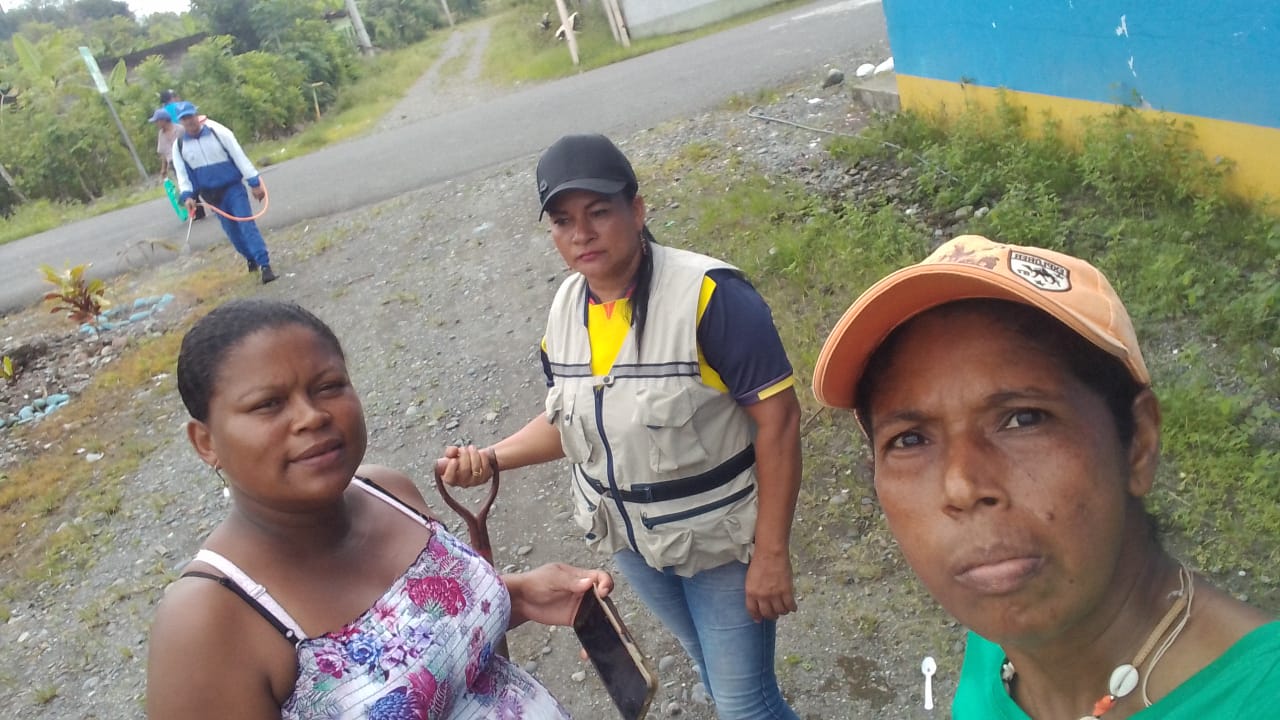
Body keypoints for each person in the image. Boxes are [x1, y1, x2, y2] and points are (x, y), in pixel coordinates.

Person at [811, 235, 1279, 719]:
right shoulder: (999, 641)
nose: (961, 486)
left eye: (1024, 419)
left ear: (1138, 443)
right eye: (910, 439)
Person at [437, 133, 803, 719]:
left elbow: (779, 421)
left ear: (636, 210)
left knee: (745, 704)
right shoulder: (566, 308)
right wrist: (492, 457)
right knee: (709, 670)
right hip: (634, 544)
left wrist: (772, 552)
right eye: (563, 221)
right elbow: (569, 420)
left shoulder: (712, 297)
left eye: (598, 212)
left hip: (720, 544)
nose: (581, 233)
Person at [148, 298, 613, 719]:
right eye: (268, 404)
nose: (311, 416)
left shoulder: (387, 490)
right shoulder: (207, 622)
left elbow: (425, 646)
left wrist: (520, 595)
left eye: (328, 386)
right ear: (205, 442)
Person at [170, 101, 277, 284]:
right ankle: (250, 257)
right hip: (211, 196)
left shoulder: (218, 133)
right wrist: (188, 196)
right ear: (181, 122)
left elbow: (239, 157)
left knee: (246, 225)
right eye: (185, 119)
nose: (189, 121)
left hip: (232, 188)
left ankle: (265, 265)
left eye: (191, 116)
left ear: (196, 115)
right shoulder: (179, 146)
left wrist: (254, 183)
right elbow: (183, 175)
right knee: (232, 232)